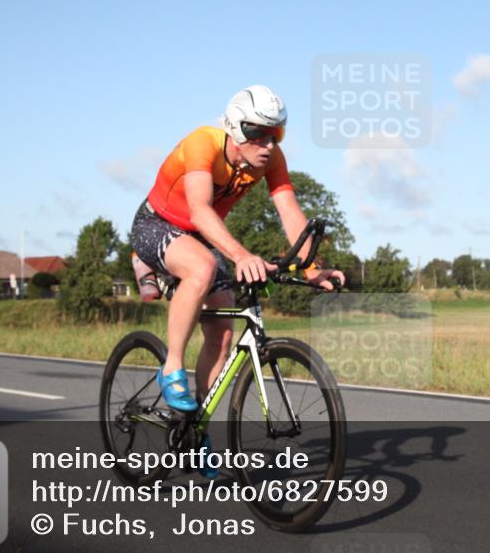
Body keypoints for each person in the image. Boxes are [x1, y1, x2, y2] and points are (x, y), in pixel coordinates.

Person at [128, 85, 345, 476]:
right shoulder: (203, 143)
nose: (267, 143)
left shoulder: (271, 159)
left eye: (276, 133)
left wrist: (312, 268)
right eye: (257, 132)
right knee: (202, 267)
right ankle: (171, 367)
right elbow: (199, 210)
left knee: (223, 334)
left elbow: (289, 212)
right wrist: (242, 255)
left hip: (200, 238)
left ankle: (194, 429)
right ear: (233, 127)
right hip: (157, 224)